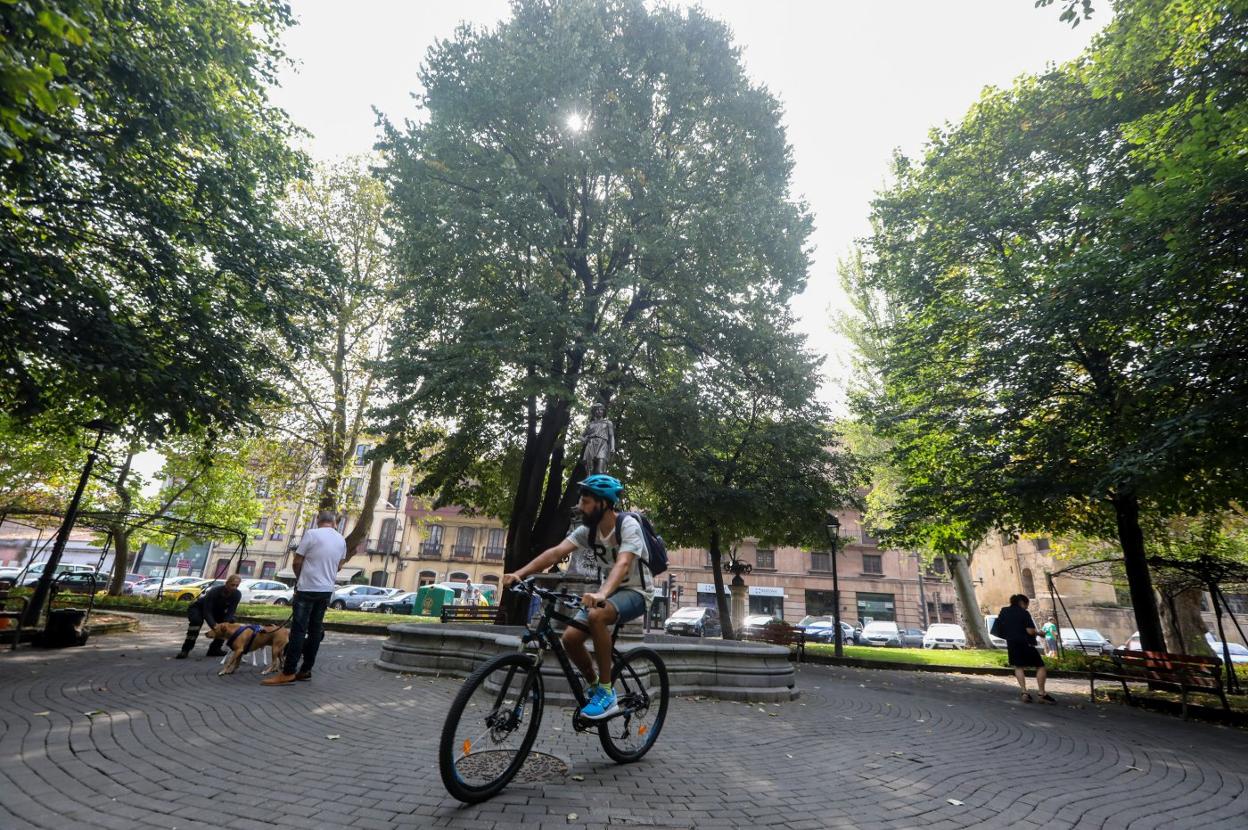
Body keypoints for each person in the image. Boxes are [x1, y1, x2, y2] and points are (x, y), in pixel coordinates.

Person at [502, 474, 651, 720]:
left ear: (603, 503)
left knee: (596, 615)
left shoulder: (628, 526)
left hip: (636, 592)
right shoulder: (588, 532)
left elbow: (623, 563)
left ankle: (607, 692)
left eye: (586, 502)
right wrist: (519, 573)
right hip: (607, 593)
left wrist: (602, 593)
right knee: (570, 639)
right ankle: (594, 686)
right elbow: (555, 552)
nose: (580, 507)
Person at [262, 511, 349, 686]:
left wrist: (300, 577)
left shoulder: (311, 534)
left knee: (298, 631)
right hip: (326, 591)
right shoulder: (341, 540)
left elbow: (296, 561)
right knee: (315, 630)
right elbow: (339, 565)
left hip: (307, 588)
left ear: (319, 521)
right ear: (334, 522)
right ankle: (306, 670)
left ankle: (288, 672)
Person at [993, 594, 1054, 703]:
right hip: (1025, 643)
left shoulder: (1004, 611)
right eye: (1026, 605)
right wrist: (1039, 633)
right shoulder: (1023, 613)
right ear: (1022, 602)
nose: (1027, 607)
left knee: (1018, 667)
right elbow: (1030, 631)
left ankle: (1024, 692)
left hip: (1011, 643)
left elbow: (1000, 626)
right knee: (1040, 666)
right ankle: (1042, 694)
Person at [177, 574, 242, 658]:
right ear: (227, 583)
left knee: (228, 623)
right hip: (199, 608)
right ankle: (185, 649)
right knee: (196, 622)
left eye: (237, 585)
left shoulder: (237, 594)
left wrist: (224, 625)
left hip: (217, 611)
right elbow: (207, 611)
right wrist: (214, 626)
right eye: (232, 585)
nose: (234, 587)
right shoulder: (214, 591)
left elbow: (231, 612)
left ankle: (214, 649)